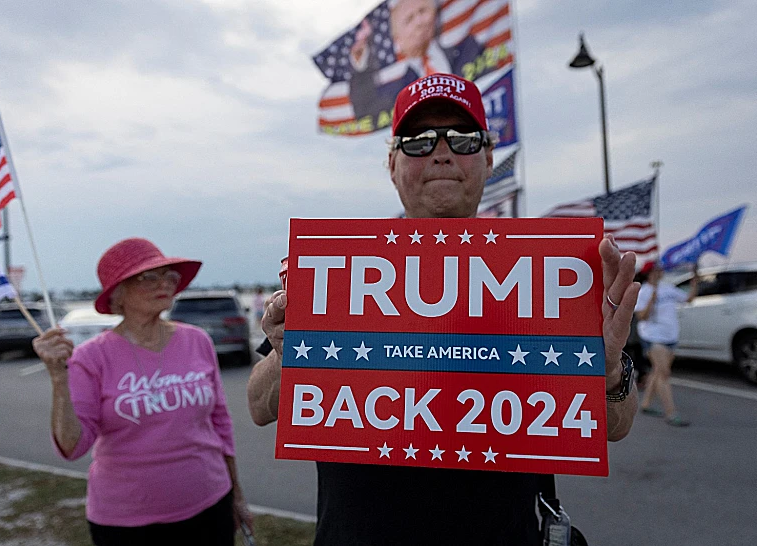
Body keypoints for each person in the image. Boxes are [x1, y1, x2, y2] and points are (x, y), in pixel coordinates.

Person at [247, 73, 640, 545]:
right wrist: (287, 353)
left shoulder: (547, 274)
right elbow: (259, 406)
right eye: (418, 141)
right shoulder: (342, 272)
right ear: (392, 164)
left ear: (488, 158)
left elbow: (616, 426)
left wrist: (608, 372)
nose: (441, 152)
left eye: (463, 138)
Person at [33, 238, 252, 546]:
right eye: (148, 277)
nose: (164, 283)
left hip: (210, 504)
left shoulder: (197, 341)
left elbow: (221, 424)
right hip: (127, 522)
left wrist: (236, 494)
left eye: (169, 276)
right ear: (118, 293)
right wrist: (59, 377)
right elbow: (73, 447)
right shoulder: (91, 357)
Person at [348, 0, 484, 120]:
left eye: (422, 11)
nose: (419, 22)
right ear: (397, 37)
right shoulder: (396, 90)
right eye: (409, 19)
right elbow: (365, 110)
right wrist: (361, 66)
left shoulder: (469, 49)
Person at [635, 261, 698, 426]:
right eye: (656, 270)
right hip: (653, 337)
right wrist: (652, 299)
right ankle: (671, 413)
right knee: (664, 374)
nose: (660, 272)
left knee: (657, 371)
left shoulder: (668, 288)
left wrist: (694, 284)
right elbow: (641, 316)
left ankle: (646, 404)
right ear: (650, 273)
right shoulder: (643, 291)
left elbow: (688, 299)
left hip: (670, 336)